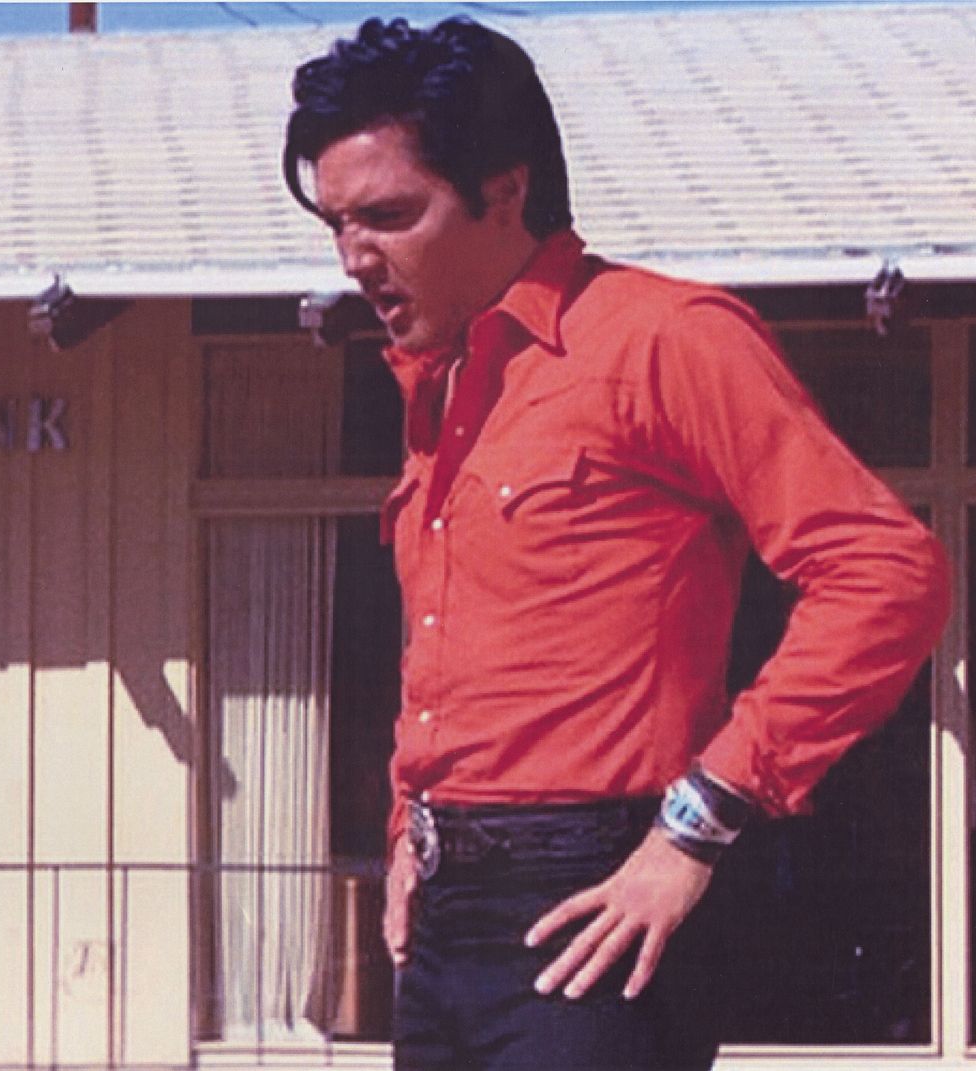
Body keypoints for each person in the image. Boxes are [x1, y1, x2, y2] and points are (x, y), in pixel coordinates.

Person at [283, 16, 950, 1070]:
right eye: (336, 224)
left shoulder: (661, 339)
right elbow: (454, 650)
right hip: (446, 919)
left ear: (504, 190)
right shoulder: (442, 384)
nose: (354, 257)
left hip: (595, 896)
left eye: (389, 216)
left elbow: (886, 573)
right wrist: (409, 828)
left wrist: (698, 824)